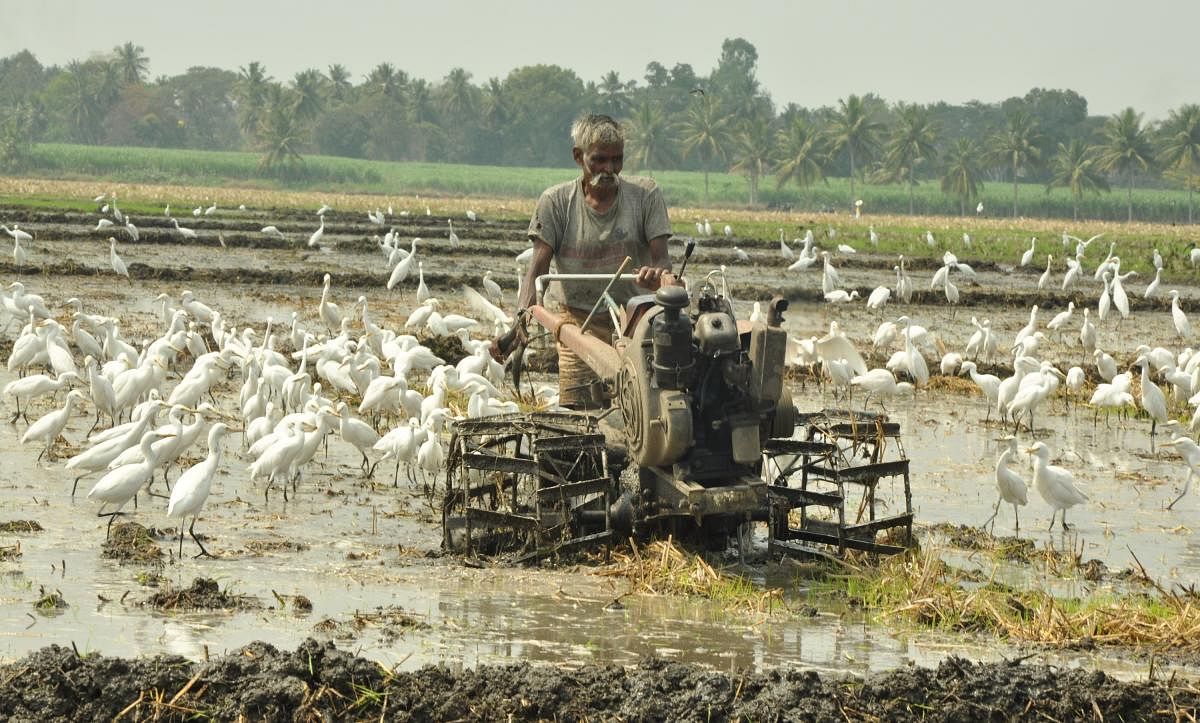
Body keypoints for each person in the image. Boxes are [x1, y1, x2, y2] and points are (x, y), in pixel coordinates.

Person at [513, 113, 674, 409]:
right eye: (599, 160)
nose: (609, 169)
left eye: (616, 160)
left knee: (640, 412)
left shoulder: (645, 196)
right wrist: (522, 317)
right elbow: (537, 272)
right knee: (579, 418)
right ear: (578, 156)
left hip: (633, 324)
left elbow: (662, 262)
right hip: (578, 325)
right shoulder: (556, 203)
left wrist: (658, 274)